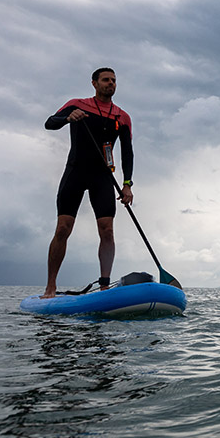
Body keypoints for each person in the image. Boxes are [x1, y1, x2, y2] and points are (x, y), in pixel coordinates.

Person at [42, 67, 134, 297]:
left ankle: (104, 286)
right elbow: (50, 123)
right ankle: (50, 286)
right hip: (75, 172)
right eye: (106, 80)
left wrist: (127, 185)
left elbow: (128, 153)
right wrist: (67, 118)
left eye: (114, 80)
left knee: (107, 231)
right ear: (94, 83)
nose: (111, 83)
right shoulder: (77, 104)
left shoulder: (122, 116)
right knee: (63, 228)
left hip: (103, 177)